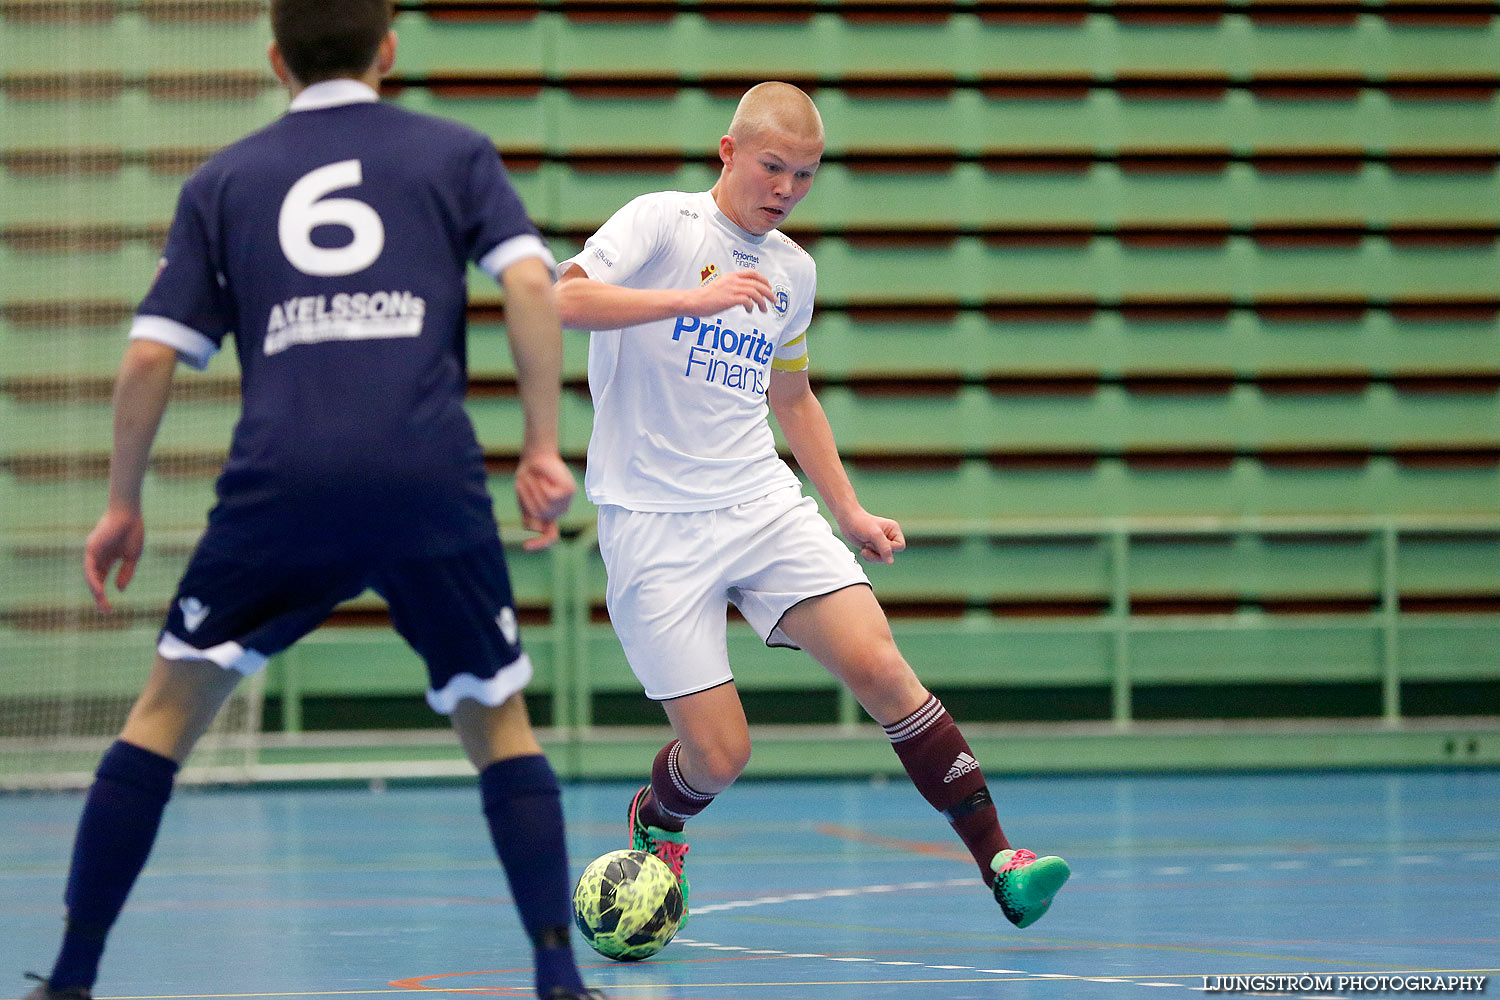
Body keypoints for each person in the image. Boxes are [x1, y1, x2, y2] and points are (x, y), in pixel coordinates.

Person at [22, 3, 604, 999]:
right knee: (498, 722)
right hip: (427, 478)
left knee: (162, 716)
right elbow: (533, 285)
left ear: (274, 62)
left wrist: (123, 503)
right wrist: (543, 446)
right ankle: (557, 977)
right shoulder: (456, 152)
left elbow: (151, 356)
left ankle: (71, 978)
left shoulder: (224, 180)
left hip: (280, 482)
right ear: (388, 50)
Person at [553, 82, 1070, 934]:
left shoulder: (794, 270)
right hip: (653, 525)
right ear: (727, 151)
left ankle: (1002, 862)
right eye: (772, 167)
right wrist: (690, 299)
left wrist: (850, 511)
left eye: (805, 174)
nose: (787, 189)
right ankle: (660, 816)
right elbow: (562, 300)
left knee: (880, 665)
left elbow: (792, 399)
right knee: (720, 757)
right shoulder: (660, 224)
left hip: (760, 504)